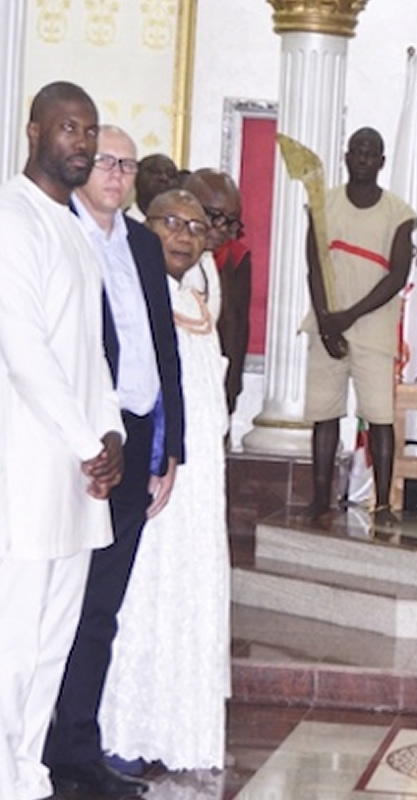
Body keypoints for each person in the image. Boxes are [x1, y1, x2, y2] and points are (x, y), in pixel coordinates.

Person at [43, 124, 185, 798]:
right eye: (106, 161)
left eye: (127, 165)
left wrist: (171, 443)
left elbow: (162, 346)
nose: (117, 174)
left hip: (137, 438)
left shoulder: (142, 245)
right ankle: (30, 744)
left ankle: (75, 747)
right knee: (53, 602)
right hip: (74, 442)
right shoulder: (54, 233)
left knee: (101, 607)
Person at [0, 80, 125, 800]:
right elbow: (24, 352)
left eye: (90, 129)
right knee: (14, 639)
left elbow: (92, 355)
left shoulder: (75, 230)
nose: (81, 141)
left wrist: (109, 433)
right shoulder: (12, 218)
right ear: (34, 132)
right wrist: (86, 443)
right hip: (29, 463)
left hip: (79, 471)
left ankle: (27, 771)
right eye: (68, 128)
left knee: (54, 639)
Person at [97, 189, 230, 773]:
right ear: (143, 226)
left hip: (201, 484)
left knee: (190, 597)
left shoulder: (198, 297)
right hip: (156, 476)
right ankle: (122, 730)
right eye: (170, 222)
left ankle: (180, 733)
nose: (183, 235)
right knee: (142, 595)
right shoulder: (131, 292)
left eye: (196, 227)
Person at [301, 127, 416, 522]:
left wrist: (349, 316)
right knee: (325, 414)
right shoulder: (323, 205)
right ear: (346, 156)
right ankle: (321, 499)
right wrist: (326, 321)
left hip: (374, 329)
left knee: (379, 417)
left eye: (371, 153)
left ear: (382, 161)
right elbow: (313, 266)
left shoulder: (399, 213)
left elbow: (398, 275)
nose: (363, 159)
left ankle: (381, 503)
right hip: (326, 324)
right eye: (357, 151)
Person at [186, 168, 251, 415]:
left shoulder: (214, 261)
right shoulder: (157, 253)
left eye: (231, 221)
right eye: (214, 216)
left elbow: (234, 321)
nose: (222, 228)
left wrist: (231, 383)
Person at [130, 152, 179, 221]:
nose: (164, 178)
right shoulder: (120, 222)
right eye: (154, 171)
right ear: (136, 177)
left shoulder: (181, 225)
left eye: (171, 174)